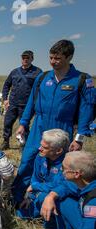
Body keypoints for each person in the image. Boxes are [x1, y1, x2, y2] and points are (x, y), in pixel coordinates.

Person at [12, 40, 94, 206]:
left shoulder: (81, 80)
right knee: (27, 161)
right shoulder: (42, 78)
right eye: (51, 57)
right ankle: (17, 198)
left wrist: (79, 138)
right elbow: (31, 102)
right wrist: (23, 123)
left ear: (69, 57)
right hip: (39, 127)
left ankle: (50, 202)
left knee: (59, 169)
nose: (53, 61)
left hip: (62, 129)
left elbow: (87, 109)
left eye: (58, 58)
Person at [16, 129, 68, 229]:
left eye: (44, 147)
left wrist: (36, 187)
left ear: (58, 151)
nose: (40, 148)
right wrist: (29, 197)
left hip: (58, 199)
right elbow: (35, 178)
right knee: (20, 214)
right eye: (41, 145)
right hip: (39, 194)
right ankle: (39, 212)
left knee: (44, 197)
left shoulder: (67, 164)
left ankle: (51, 228)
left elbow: (59, 186)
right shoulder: (40, 157)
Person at [0, 51, 42, 150]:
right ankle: (6, 141)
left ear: (32, 59)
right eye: (23, 57)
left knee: (24, 126)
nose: (25, 60)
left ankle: (23, 145)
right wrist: (5, 99)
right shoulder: (14, 72)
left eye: (28, 58)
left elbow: (40, 89)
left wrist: (36, 104)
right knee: (7, 123)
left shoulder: (37, 72)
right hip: (13, 103)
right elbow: (6, 85)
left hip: (27, 105)